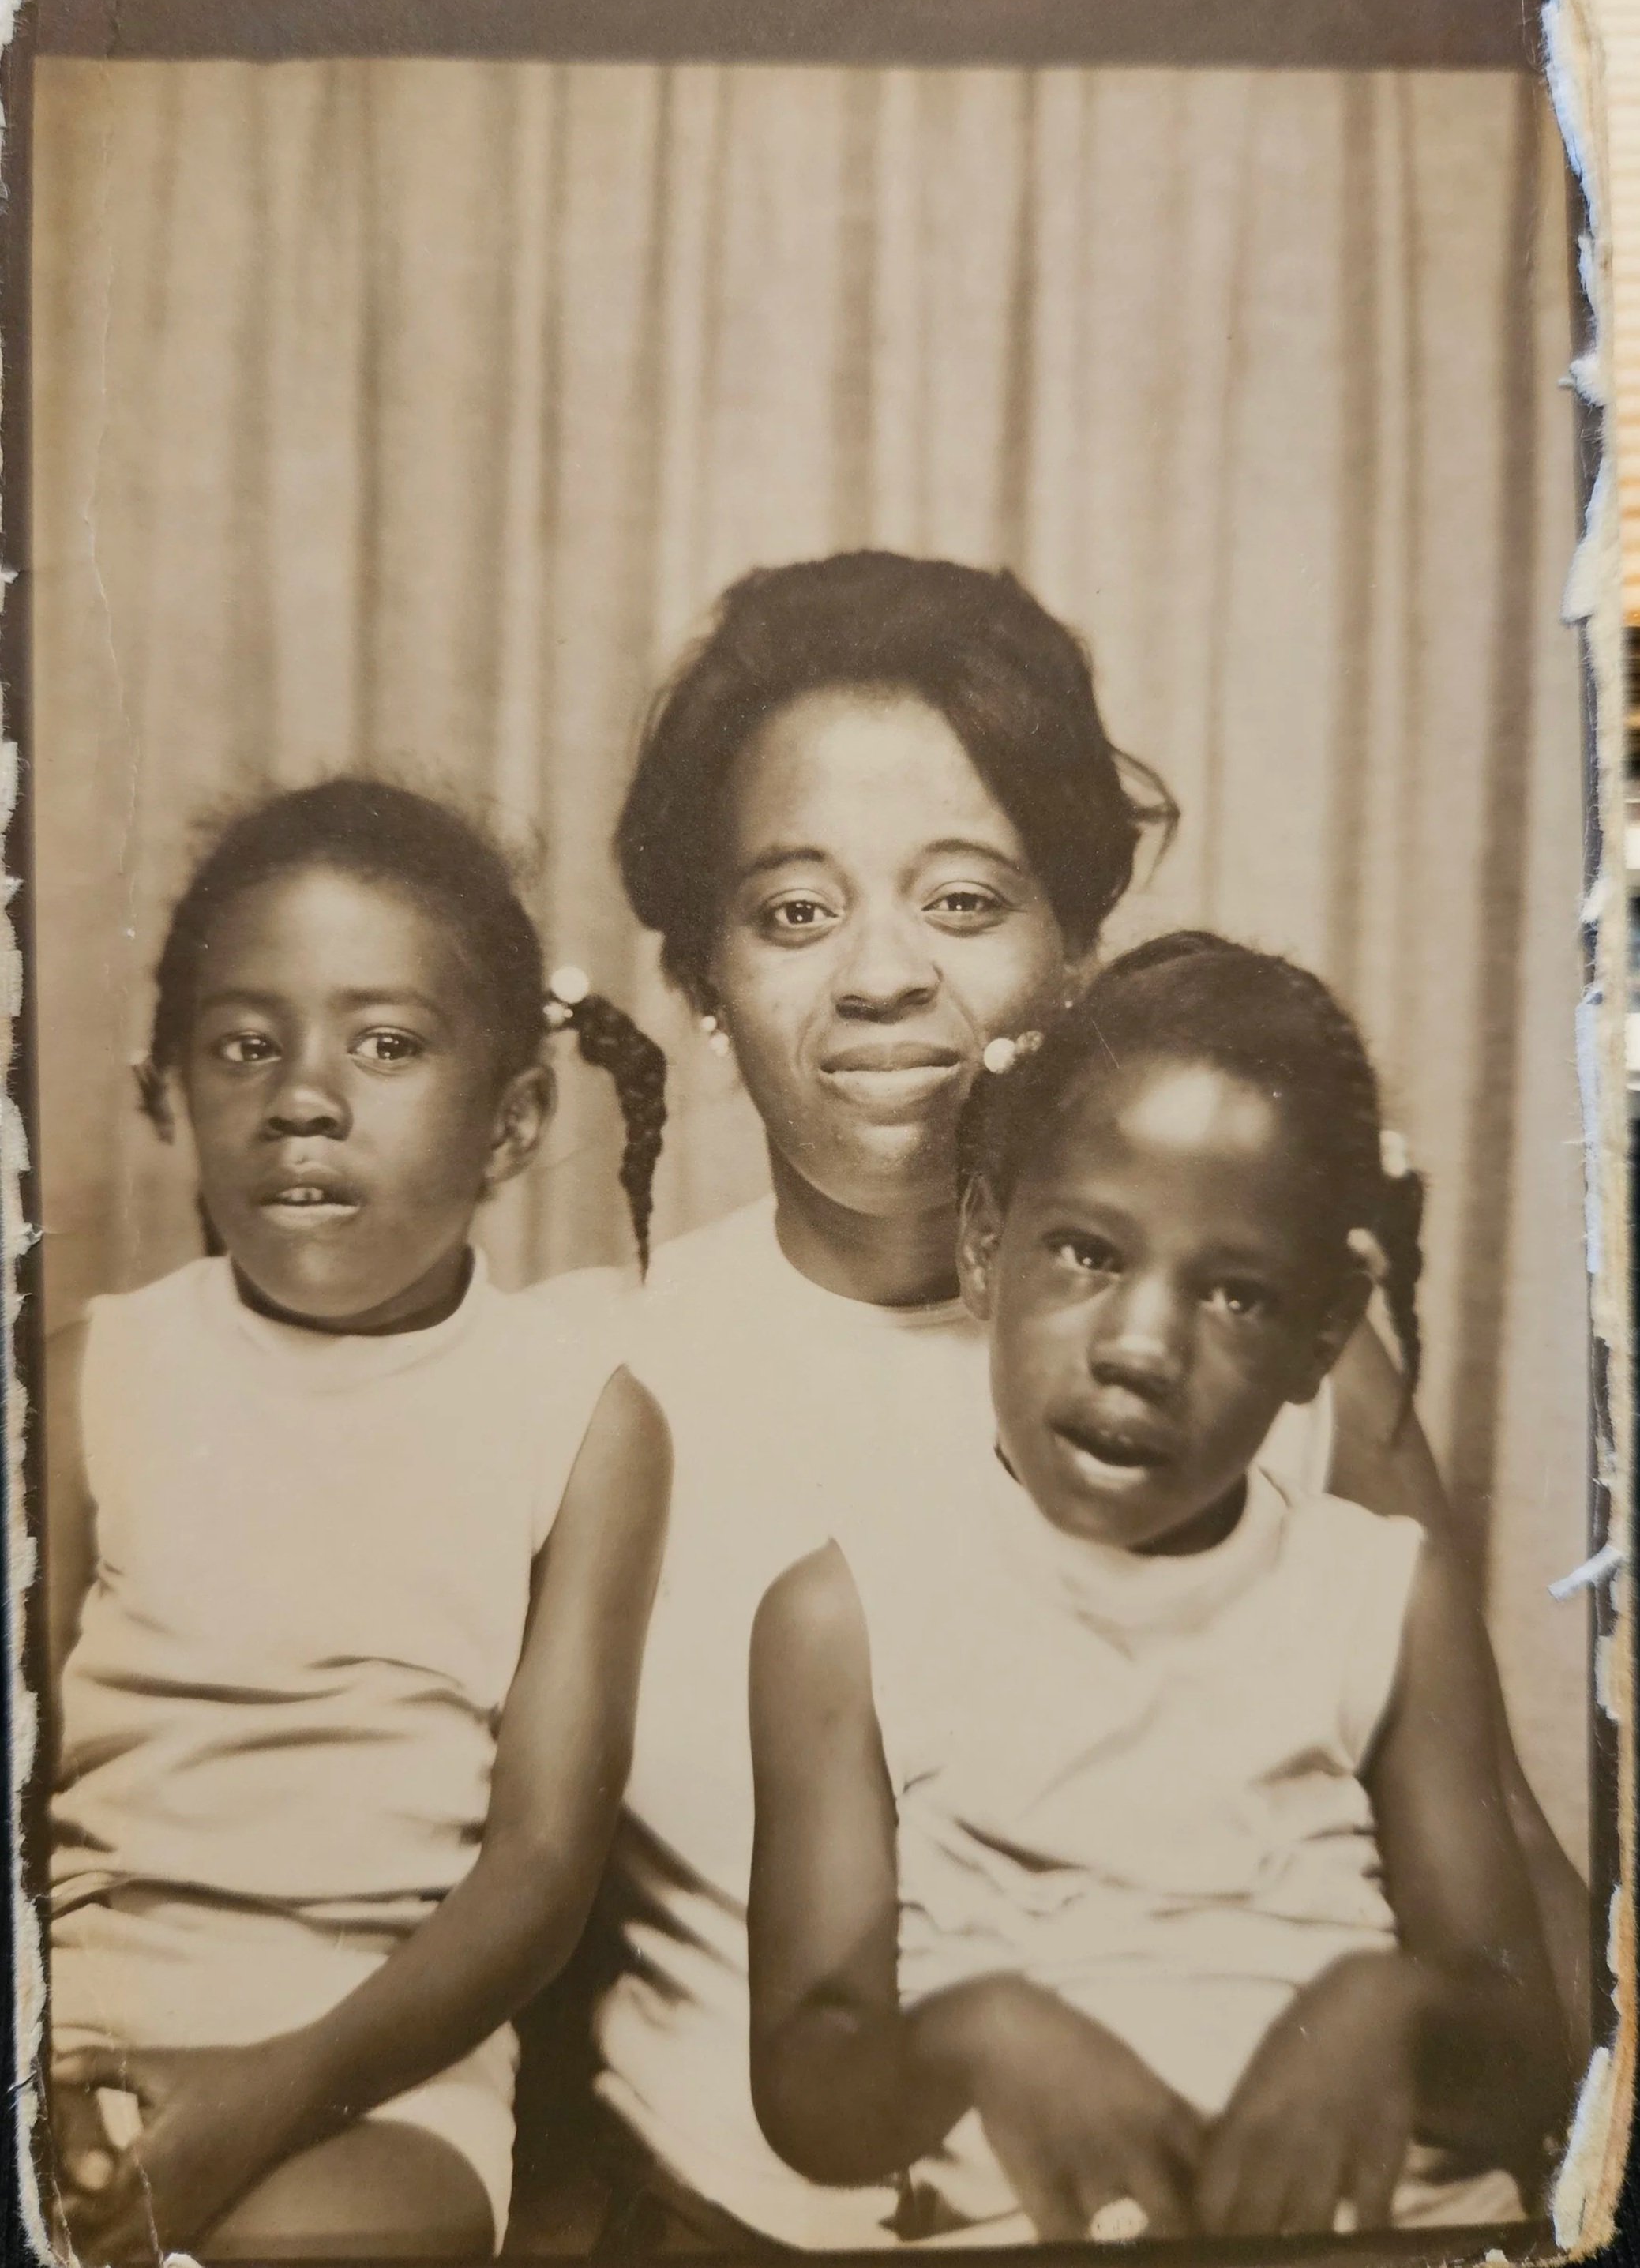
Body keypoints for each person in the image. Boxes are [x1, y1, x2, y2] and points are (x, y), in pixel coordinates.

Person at [584, 552, 1583, 2250]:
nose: (884, 974)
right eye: (795, 909)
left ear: (1076, 945)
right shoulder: (597, 1381)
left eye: (965, 900)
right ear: (695, 972)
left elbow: (1524, 1917)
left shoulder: (1276, 1357)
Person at [747, 933, 1571, 2246]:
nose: (1141, 1347)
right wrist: (978, 2036)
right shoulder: (842, 1618)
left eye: (1235, 1292)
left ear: (1319, 1335)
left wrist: (1389, 2007)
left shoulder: (1381, 1599)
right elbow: (805, 2089)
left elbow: (1532, 2050)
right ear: (980, 1244)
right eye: (1085, 1253)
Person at [46, 779, 671, 2259]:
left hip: (381, 2062)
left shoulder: (579, 1415)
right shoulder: (95, 1373)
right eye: (244, 1046)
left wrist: (279, 2091)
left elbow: (539, 1868)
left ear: (513, 1119)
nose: (304, 1095)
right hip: (78, 2014)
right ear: (170, 1092)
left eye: (385, 1044)